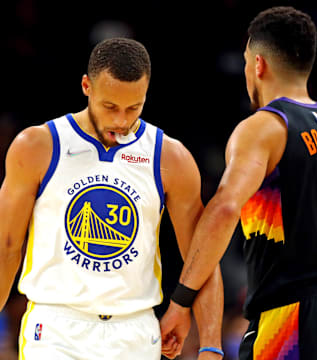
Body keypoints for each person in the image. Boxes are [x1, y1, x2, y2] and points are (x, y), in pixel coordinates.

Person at [0, 37, 224, 360]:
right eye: (110, 107)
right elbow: (6, 247)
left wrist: (211, 347)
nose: (121, 120)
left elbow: (202, 256)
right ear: (86, 86)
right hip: (55, 329)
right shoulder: (37, 146)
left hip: (135, 330)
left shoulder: (170, 158)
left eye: (134, 108)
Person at [160, 6, 317, 360]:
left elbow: (224, 209)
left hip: (285, 319)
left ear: (258, 64)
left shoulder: (264, 128)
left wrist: (181, 301)